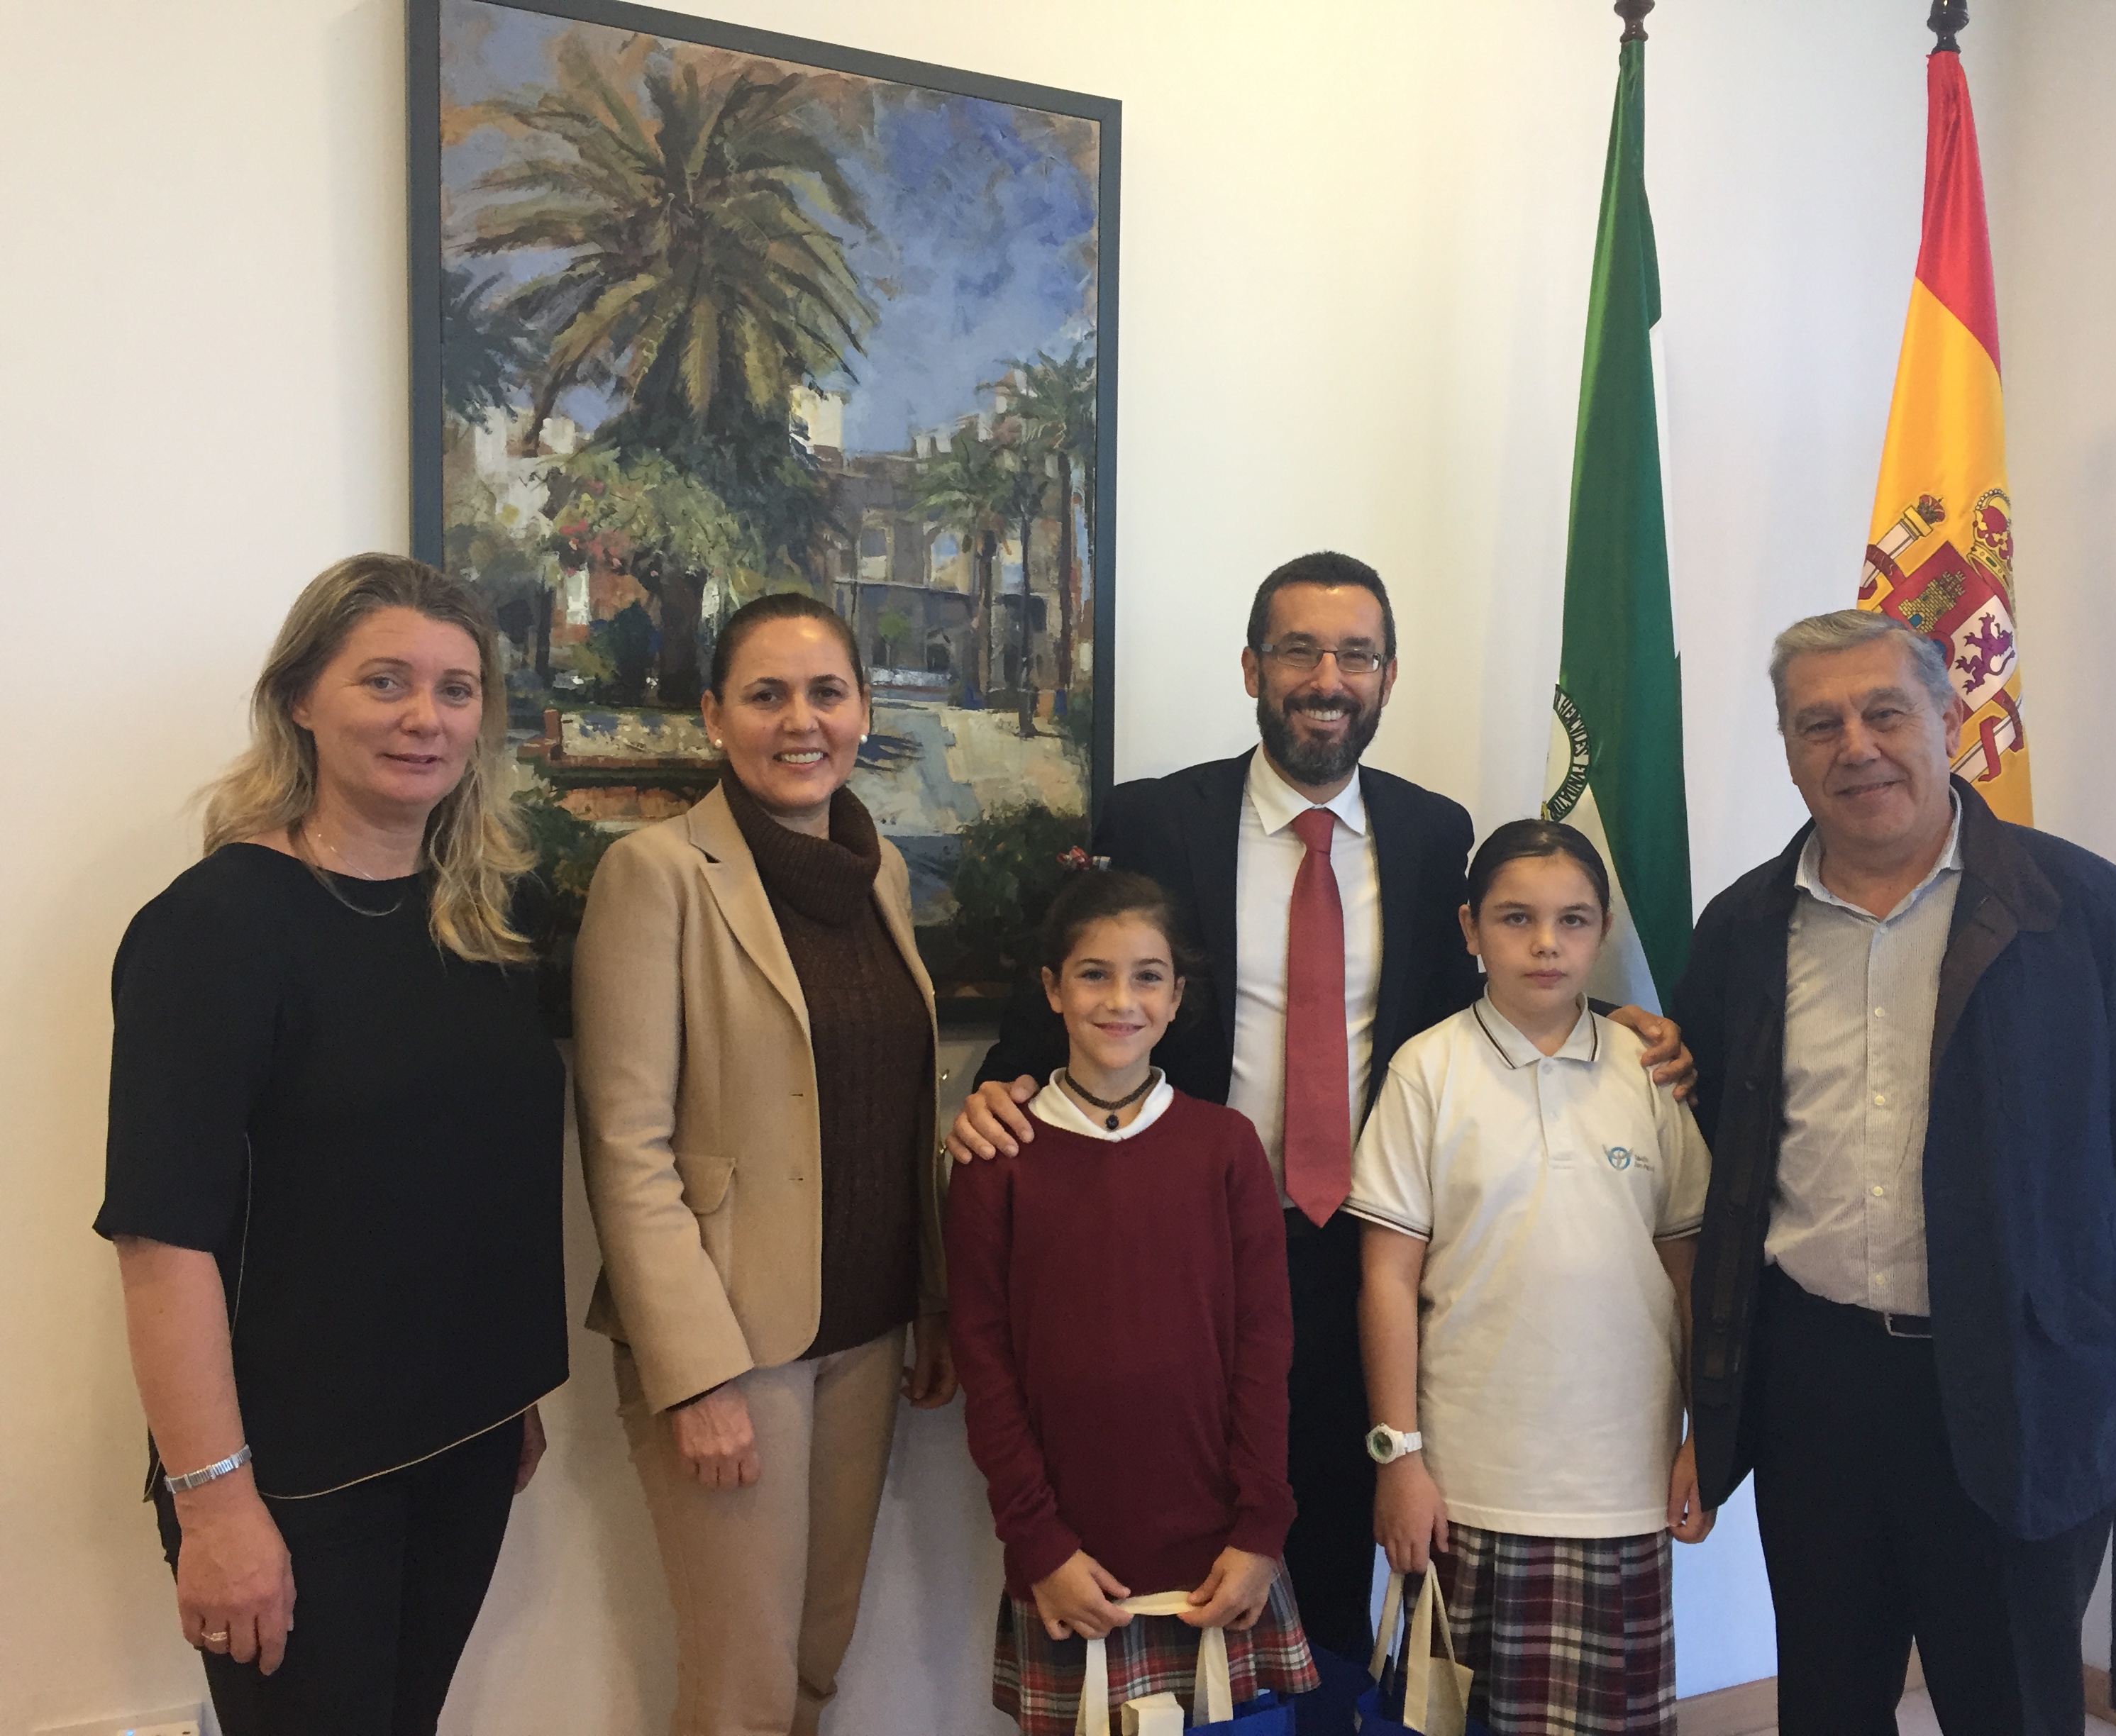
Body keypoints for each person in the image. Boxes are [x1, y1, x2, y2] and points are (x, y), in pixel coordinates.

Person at [948, 550, 1692, 1660]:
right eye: (1299, 650)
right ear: (1253, 667)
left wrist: (1618, 1021)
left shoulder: (1435, 833)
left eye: (1356, 655)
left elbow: (1483, 1004)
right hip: (1189, 1245)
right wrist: (992, 1092)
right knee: (1192, 1532)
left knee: (1345, 1538)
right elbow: (1067, 988)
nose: (1327, 679)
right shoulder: (1156, 819)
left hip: (1367, 1243)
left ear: (1389, 676)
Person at [1673, 609, 2116, 1736]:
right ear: (1789, 750)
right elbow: (1713, 1149)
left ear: (1949, 717)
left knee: (2012, 1705)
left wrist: (2066, 1305)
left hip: (2022, 1384)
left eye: (1885, 712)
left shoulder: (2085, 914)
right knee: (1828, 1703)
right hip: (1814, 1388)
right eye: (1819, 724)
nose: (1857, 747)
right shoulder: (1742, 929)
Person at [96, 554, 567, 1734]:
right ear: (300, 698)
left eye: (457, 689)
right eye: (385, 680)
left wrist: (502, 1392)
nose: (426, 717)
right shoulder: (213, 929)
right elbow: (161, 1241)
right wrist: (215, 1506)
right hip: (292, 1479)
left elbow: (464, 1186)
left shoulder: (491, 920)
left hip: (464, 1443)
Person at [573, 592, 956, 1736]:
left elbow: (892, 1112)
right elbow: (626, 1146)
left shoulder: (878, 874)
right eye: (765, 694)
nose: (801, 721)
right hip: (734, 1349)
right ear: (713, 715)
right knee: (739, 1692)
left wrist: (930, 1301)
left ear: (863, 709)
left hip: (865, 1329)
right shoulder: (655, 874)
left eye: (826, 692)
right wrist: (695, 1376)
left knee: (815, 1666)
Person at [1351, 820, 1712, 1736]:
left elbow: (1688, 1272)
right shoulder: (1427, 1070)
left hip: (1621, 1481)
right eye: (1517, 918)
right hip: (1466, 1485)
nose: (1546, 943)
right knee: (1458, 1720)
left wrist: (1706, 1433)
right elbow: (1387, 1279)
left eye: (1573, 920)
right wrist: (1400, 1459)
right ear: (1470, 929)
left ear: (1602, 933)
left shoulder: (1649, 1073)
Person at [946, 869, 1319, 1735]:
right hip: (1070, 1560)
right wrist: (1039, 1543)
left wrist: (1261, 1529)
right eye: (1093, 974)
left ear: (1177, 995)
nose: (1121, 1001)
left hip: (1222, 1554)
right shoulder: (997, 1161)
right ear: (1052, 989)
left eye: (1147, 976)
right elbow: (984, 1363)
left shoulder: (1226, 1147)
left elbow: (1265, 1347)